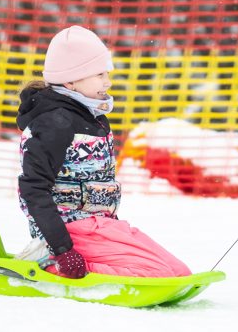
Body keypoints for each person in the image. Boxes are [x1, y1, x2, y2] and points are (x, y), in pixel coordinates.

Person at [17, 25, 192, 278]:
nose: (107, 82)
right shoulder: (54, 123)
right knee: (157, 274)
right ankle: (49, 265)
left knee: (178, 272)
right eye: (99, 75)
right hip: (69, 230)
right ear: (71, 80)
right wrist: (63, 249)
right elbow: (33, 190)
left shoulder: (92, 117)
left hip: (101, 225)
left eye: (106, 73)